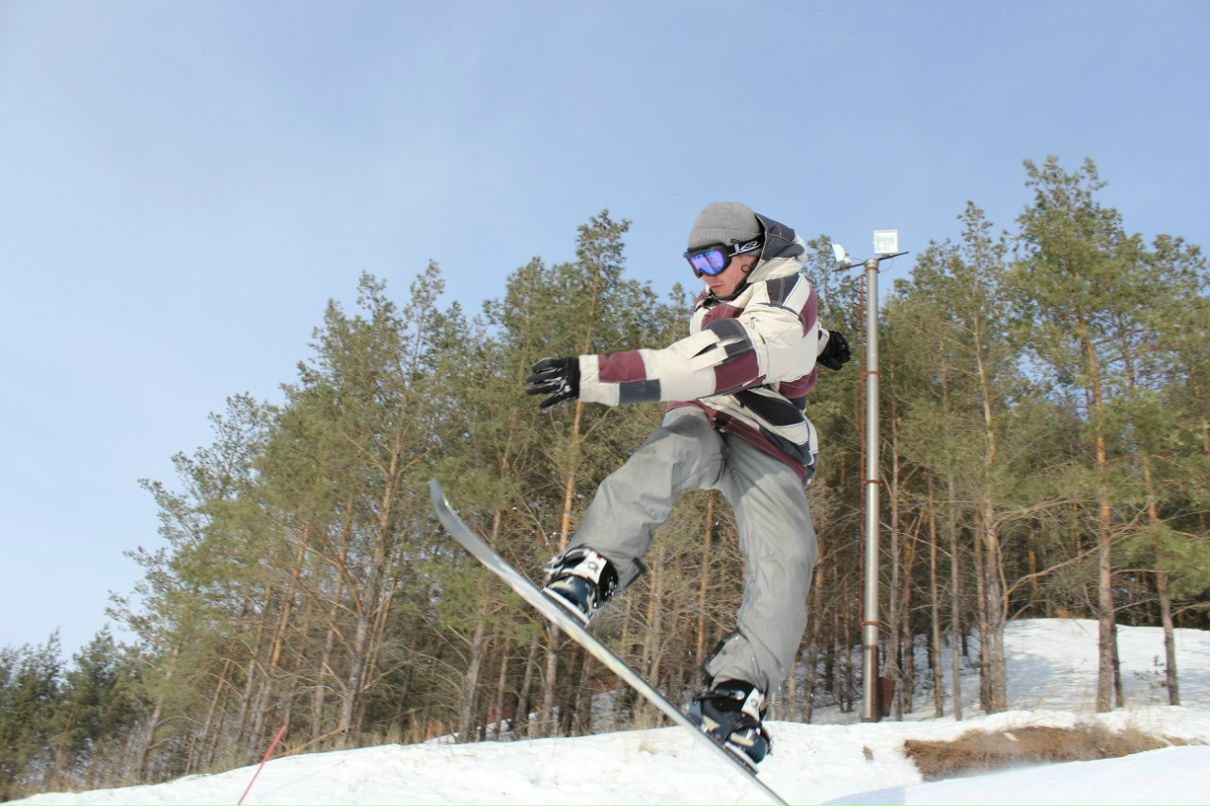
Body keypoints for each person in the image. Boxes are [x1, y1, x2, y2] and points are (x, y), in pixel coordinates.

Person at [524, 202, 850, 763]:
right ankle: (593, 565)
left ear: (751, 253)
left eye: (711, 259)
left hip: (764, 436)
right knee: (666, 455)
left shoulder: (788, 296)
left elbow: (718, 360)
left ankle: (737, 690)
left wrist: (592, 375)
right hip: (705, 417)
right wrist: (826, 343)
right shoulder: (722, 296)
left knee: (789, 555)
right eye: (692, 262)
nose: (703, 274)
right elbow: (781, 332)